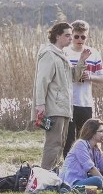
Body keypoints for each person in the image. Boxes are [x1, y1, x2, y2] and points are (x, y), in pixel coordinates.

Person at [33, 22, 88, 170]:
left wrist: (82, 60)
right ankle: (44, 175)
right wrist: (40, 104)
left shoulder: (62, 55)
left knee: (62, 142)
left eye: (71, 35)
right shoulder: (49, 54)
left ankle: (53, 173)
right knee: (54, 142)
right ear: (57, 36)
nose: (71, 38)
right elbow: (42, 81)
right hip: (54, 106)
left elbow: (73, 78)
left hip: (64, 107)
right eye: (67, 35)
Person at [62, 20, 103, 157]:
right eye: (76, 36)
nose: (79, 40)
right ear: (71, 35)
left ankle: (86, 163)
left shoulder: (94, 53)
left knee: (86, 137)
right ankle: (69, 165)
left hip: (85, 101)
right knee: (68, 138)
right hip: (68, 101)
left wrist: (90, 76)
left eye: (83, 37)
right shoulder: (65, 52)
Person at [60, 118, 103, 189]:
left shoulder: (96, 149)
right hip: (72, 181)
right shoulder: (80, 144)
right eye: (101, 131)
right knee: (98, 181)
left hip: (84, 178)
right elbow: (91, 169)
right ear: (92, 132)